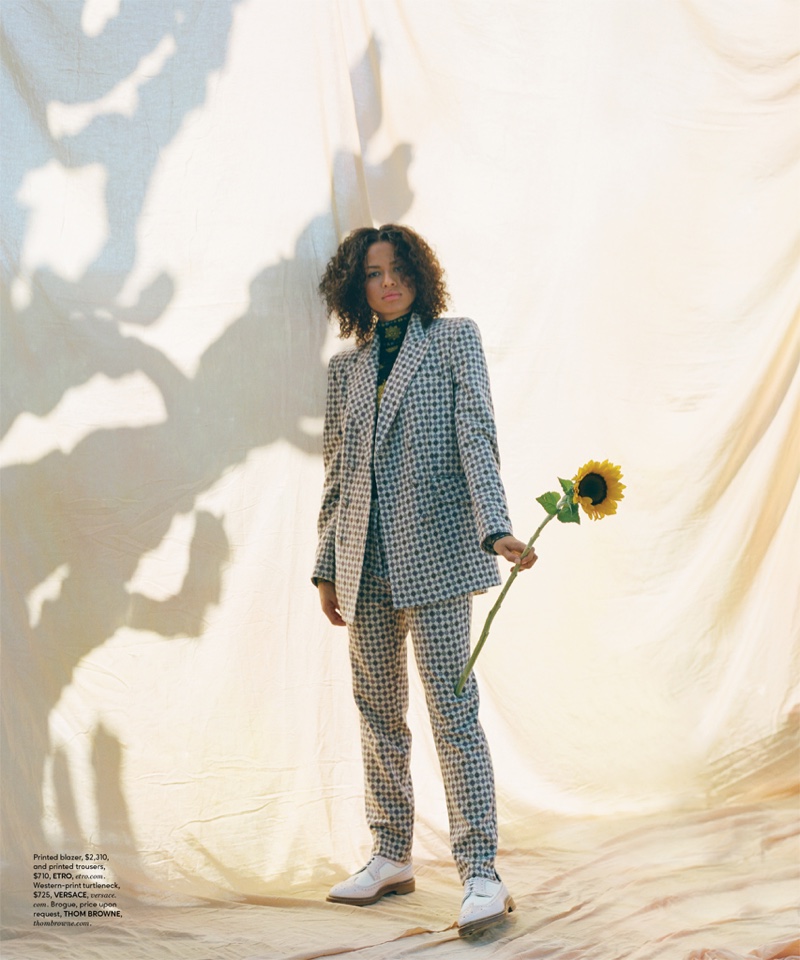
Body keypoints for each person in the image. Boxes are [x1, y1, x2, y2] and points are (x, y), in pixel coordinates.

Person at [312, 223, 536, 937]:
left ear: (419, 274)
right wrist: (325, 566)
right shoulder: (344, 372)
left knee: (451, 713)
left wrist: (494, 526)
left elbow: (477, 434)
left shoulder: (452, 340)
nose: (388, 282)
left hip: (437, 552)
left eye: (399, 268)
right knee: (378, 716)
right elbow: (339, 474)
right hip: (362, 562)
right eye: (374, 273)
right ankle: (390, 854)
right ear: (358, 286)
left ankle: (480, 870)